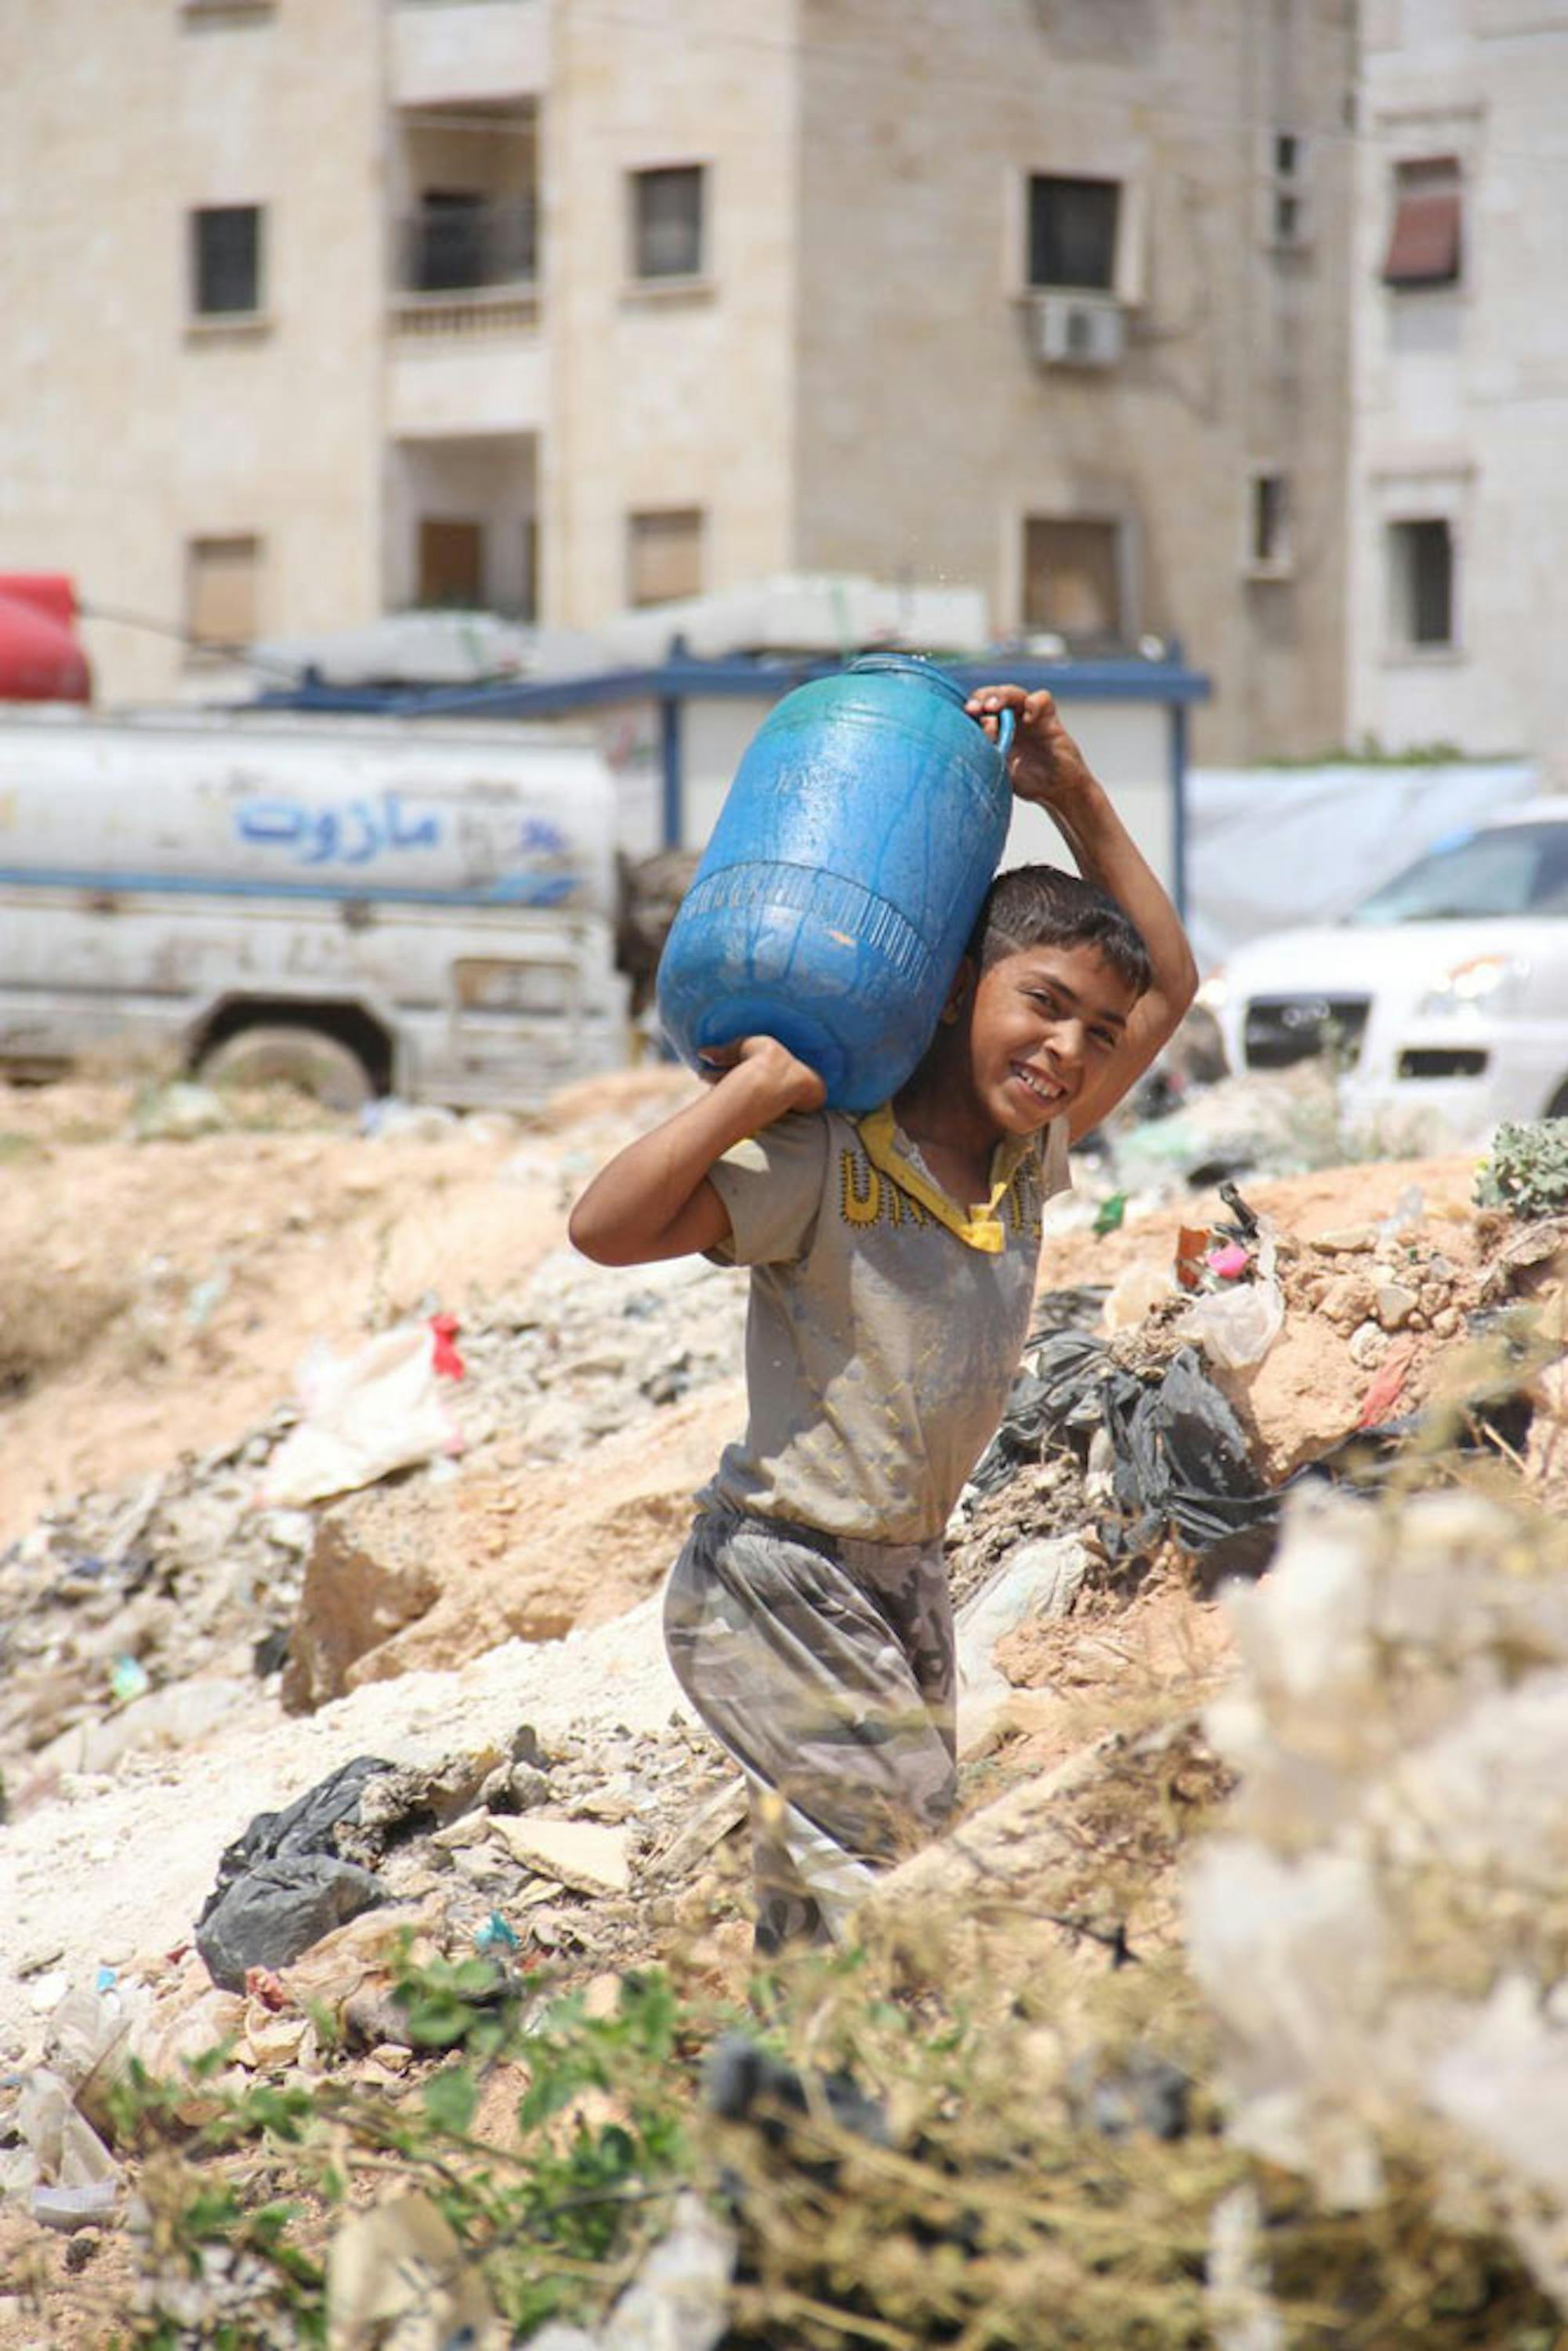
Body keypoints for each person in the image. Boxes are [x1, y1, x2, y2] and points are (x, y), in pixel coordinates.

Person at [568, 684, 1197, 1953]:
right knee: (910, 1902)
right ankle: (909, 2124)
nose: (1068, 1050)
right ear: (961, 986)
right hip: (774, 1577)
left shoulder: (1031, 1157)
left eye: (1093, 1032)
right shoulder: (828, 1159)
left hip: (905, 1577)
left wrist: (1072, 793)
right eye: (1041, 1003)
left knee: (833, 1913)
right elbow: (605, 1227)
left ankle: (791, 2127)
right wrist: (751, 1092)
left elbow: (1167, 986)